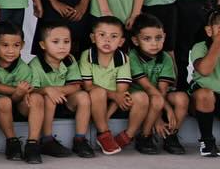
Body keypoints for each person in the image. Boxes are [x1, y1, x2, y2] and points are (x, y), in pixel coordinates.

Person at [28, 19, 92, 158]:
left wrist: (54, 89)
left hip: (65, 102)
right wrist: (47, 90)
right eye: (55, 42)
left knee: (83, 96)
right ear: (43, 45)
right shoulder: (36, 64)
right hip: (44, 106)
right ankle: (47, 140)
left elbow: (76, 86)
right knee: (48, 97)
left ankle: (80, 139)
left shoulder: (70, 60)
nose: (62, 47)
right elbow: (32, 91)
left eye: (66, 42)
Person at [80, 16, 143, 156]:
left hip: (115, 103)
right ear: (93, 38)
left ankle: (128, 135)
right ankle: (104, 134)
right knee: (98, 92)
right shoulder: (86, 56)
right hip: (94, 99)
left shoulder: (123, 58)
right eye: (102, 35)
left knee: (142, 97)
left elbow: (121, 92)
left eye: (113, 36)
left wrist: (106, 115)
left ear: (121, 42)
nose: (107, 40)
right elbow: (88, 86)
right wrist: (114, 95)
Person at [0, 21, 42, 163]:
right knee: (4, 101)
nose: (11, 50)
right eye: (5, 45)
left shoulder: (23, 68)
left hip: (14, 104)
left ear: (22, 45)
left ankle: (33, 144)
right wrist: (18, 90)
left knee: (37, 99)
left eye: (16, 45)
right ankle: (12, 141)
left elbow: (17, 98)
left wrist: (20, 93)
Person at [129, 13, 177, 155]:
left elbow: (162, 89)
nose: (154, 43)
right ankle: (145, 136)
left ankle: (171, 137)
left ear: (164, 37)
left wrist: (160, 112)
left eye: (158, 38)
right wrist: (164, 112)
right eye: (147, 39)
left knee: (181, 99)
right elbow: (148, 87)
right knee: (152, 98)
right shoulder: (132, 56)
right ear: (136, 40)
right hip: (138, 95)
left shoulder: (166, 58)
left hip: (157, 96)